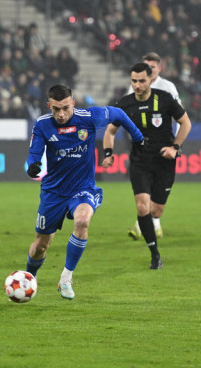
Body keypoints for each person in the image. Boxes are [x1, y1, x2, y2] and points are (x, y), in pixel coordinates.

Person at [24, 83, 145, 300]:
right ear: (48, 106)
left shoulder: (88, 117)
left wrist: (138, 138)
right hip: (53, 192)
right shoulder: (42, 125)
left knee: (82, 222)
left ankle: (66, 279)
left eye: (65, 108)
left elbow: (118, 113)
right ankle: (28, 279)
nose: (61, 114)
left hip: (83, 188)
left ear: (73, 103)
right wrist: (33, 165)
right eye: (55, 109)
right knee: (40, 246)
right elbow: (34, 153)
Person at [103, 62, 191, 269]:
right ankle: (155, 254)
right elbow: (110, 132)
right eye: (134, 81)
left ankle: (148, 228)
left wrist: (175, 147)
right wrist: (108, 153)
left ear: (151, 79)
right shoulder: (124, 104)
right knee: (142, 206)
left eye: (142, 80)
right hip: (140, 162)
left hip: (164, 162)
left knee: (156, 210)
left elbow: (186, 123)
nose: (137, 85)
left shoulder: (165, 99)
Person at [126, 51, 181, 240]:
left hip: (163, 146)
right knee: (143, 189)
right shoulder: (133, 88)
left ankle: (152, 221)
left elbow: (182, 117)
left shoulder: (168, 88)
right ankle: (144, 224)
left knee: (157, 195)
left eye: (153, 67)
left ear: (159, 68)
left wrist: (176, 144)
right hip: (141, 149)